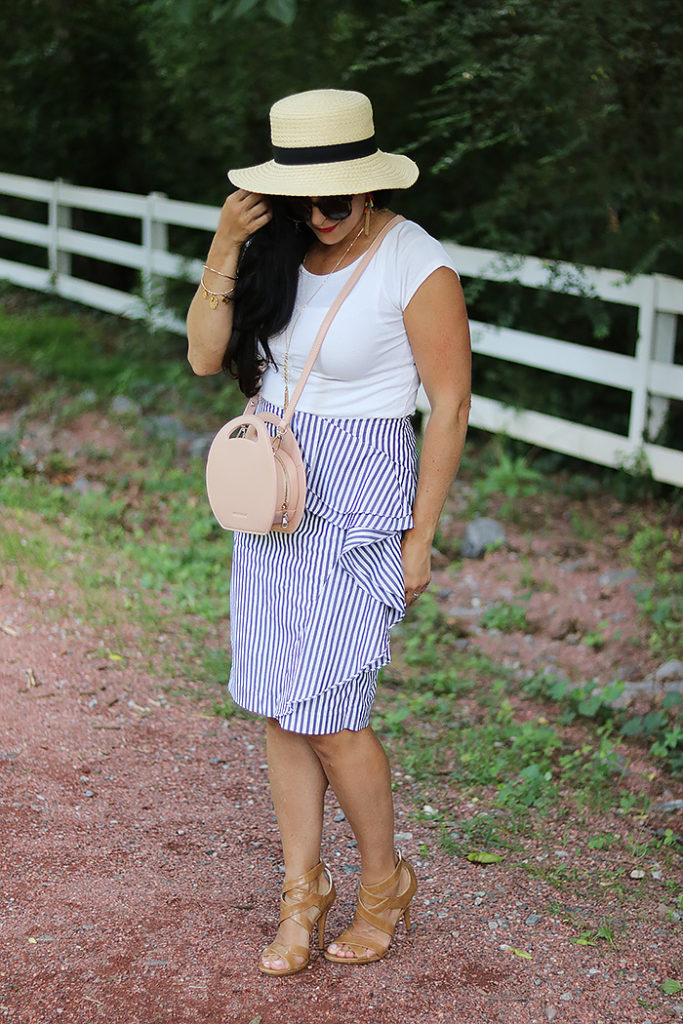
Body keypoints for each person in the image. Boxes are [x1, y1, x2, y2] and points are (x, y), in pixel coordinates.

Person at [187, 89, 470, 976]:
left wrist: (419, 534)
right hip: (273, 492)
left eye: (337, 198)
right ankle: (301, 891)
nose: (321, 215)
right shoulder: (273, 246)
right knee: (280, 699)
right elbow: (204, 356)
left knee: (331, 711)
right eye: (302, 199)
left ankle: (384, 884)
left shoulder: (412, 262)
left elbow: (451, 402)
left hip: (356, 501)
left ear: (369, 186)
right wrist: (228, 244)